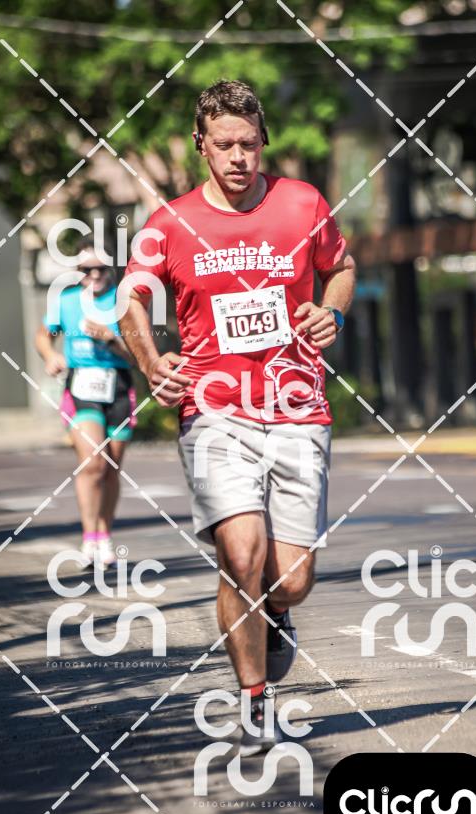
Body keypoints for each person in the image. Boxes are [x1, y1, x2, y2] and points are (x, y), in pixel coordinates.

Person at [119, 80, 355, 754]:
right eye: (224, 144)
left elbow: (341, 267)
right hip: (214, 410)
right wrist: (151, 360)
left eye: (249, 144)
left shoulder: (302, 204)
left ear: (263, 142)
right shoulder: (170, 223)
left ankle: (277, 613)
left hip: (298, 409)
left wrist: (332, 311)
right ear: (201, 145)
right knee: (241, 553)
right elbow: (131, 298)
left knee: (292, 579)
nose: (238, 157)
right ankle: (254, 704)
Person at [35, 240, 137, 568]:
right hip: (81, 388)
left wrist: (111, 339)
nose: (94, 275)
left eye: (100, 269)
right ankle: (89, 536)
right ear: (77, 272)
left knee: (111, 467)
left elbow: (139, 356)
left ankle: (104, 535)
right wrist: (50, 356)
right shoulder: (66, 301)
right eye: (85, 269)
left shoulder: (125, 302)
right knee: (93, 463)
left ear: (111, 269)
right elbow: (43, 335)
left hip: (118, 387)